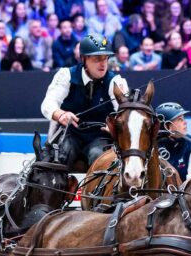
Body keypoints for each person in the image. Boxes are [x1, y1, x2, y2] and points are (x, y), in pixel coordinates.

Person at [40, 33, 130, 167]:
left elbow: (126, 113)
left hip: (100, 138)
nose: (103, 64)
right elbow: (48, 103)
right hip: (70, 135)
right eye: (97, 58)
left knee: (98, 157)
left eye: (105, 58)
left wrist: (116, 127)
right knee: (60, 156)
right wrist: (60, 114)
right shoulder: (66, 75)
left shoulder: (116, 82)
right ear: (83, 59)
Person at [155, 102, 191, 181]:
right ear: (167, 126)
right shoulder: (152, 145)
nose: (185, 122)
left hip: (186, 192)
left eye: (183, 118)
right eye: (180, 119)